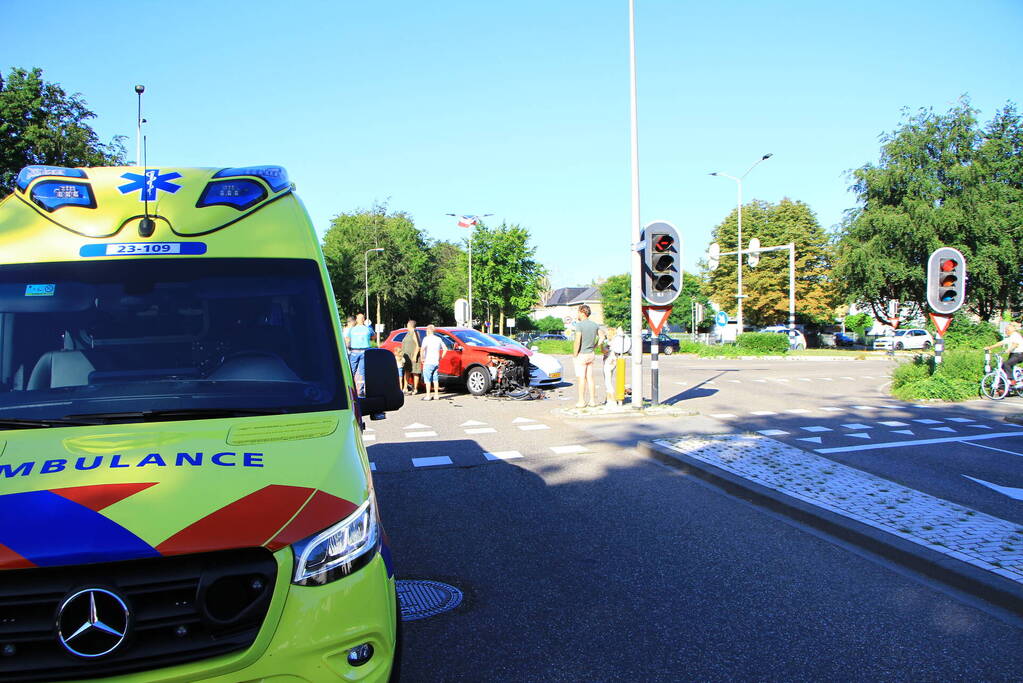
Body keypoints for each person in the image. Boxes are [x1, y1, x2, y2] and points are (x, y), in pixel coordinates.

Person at [572, 304, 599, 408]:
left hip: (582, 354)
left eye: (578, 312)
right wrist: (595, 346)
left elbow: (577, 340)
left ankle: (581, 401)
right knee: (590, 378)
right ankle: (592, 401)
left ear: (582, 312)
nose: (577, 314)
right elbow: (601, 337)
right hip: (591, 354)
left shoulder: (579, 325)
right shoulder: (595, 325)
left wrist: (575, 354)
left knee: (581, 378)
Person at [417, 324, 447, 401]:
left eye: (427, 330)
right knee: (435, 379)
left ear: (428, 331)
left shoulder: (426, 339)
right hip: (436, 362)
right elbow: (445, 349)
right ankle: (436, 395)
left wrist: (422, 358)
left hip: (428, 361)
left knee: (427, 379)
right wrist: (440, 357)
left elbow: (422, 349)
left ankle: (428, 395)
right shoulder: (438, 339)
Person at [348, 313, 374, 396]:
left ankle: (350, 390)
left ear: (356, 320)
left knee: (352, 371)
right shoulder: (368, 329)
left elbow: (348, 339)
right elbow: (373, 337)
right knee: (363, 371)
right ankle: (361, 391)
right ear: (364, 320)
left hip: (354, 352)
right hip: (365, 352)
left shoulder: (352, 329)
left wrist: (348, 349)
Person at [400, 319, 422, 395]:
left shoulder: (415, 332)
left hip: (413, 355)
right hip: (407, 357)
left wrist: (415, 356)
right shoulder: (408, 333)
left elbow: (418, 345)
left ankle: (415, 388)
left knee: (415, 372)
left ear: (409, 325)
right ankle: (405, 388)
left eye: (407, 324)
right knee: (407, 371)